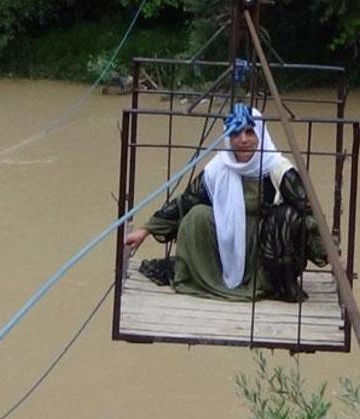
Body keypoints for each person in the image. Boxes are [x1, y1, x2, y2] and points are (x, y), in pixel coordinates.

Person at [125, 103, 326, 302]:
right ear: (228, 138)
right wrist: (146, 230)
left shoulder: (279, 171)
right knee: (198, 215)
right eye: (236, 134)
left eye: (249, 132)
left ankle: (270, 285)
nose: (243, 140)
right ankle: (210, 278)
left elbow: (309, 212)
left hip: (266, 252)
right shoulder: (217, 169)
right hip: (227, 245)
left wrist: (328, 251)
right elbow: (186, 201)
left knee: (287, 216)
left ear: (260, 135)